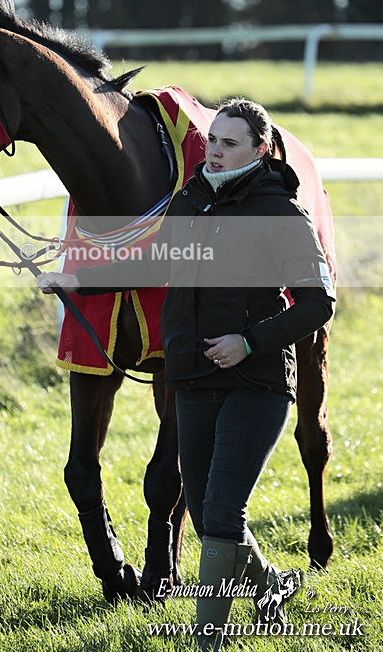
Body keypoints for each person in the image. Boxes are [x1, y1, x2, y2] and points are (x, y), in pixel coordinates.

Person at [37, 98, 335, 650]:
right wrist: (79, 281)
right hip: (193, 383)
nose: (215, 152)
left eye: (230, 143)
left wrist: (248, 342)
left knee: (222, 512)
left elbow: (318, 305)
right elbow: (155, 265)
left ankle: (207, 640)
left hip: (256, 383)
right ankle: (270, 587)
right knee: (204, 514)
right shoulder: (192, 201)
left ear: (260, 150)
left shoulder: (280, 212)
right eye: (212, 140)